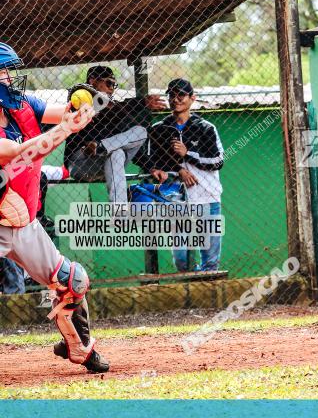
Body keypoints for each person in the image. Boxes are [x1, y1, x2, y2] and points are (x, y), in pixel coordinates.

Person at [0, 42, 109, 372]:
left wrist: (82, 105)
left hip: (24, 224)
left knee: (71, 280)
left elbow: (64, 114)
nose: (10, 78)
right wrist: (65, 129)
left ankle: (79, 347)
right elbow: (18, 152)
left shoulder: (23, 105)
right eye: (3, 73)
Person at [147, 79, 225, 272]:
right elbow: (154, 163)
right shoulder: (159, 129)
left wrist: (187, 154)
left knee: (211, 261)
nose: (176, 99)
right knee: (182, 260)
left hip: (206, 195)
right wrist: (177, 171)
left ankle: (208, 293)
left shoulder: (206, 128)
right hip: (176, 199)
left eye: (181, 95)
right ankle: (193, 281)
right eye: (171, 95)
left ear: (192, 98)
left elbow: (217, 161)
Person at [64, 65, 163, 205]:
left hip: (106, 160)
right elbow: (112, 110)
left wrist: (151, 167)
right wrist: (140, 102)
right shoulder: (79, 99)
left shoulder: (115, 110)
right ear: (93, 81)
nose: (112, 88)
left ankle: (119, 213)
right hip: (82, 163)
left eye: (114, 85)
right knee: (115, 149)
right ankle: (102, 147)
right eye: (108, 83)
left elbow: (126, 138)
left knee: (133, 138)